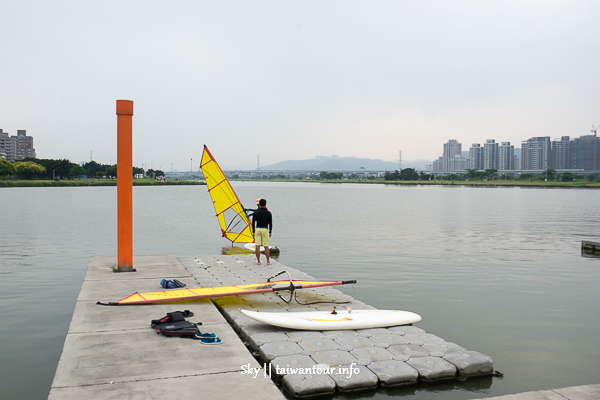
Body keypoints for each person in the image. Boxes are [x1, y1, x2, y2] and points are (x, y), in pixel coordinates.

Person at [252, 198, 272, 265]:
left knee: (257, 246)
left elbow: (253, 223)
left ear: (259, 204)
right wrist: (270, 232)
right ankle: (268, 261)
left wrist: (253, 232)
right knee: (266, 246)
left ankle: (258, 261)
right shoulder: (268, 213)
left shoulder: (256, 213)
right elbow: (270, 223)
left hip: (258, 229)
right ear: (265, 204)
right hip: (265, 229)